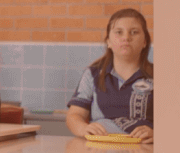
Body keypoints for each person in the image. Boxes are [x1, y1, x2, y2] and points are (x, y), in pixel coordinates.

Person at [66, 8, 154, 144]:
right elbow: (74, 115)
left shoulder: (159, 76)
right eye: (119, 32)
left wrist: (157, 133)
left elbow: (174, 120)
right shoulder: (92, 74)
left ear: (144, 42)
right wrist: (84, 128)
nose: (126, 38)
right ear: (108, 41)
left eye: (134, 32)